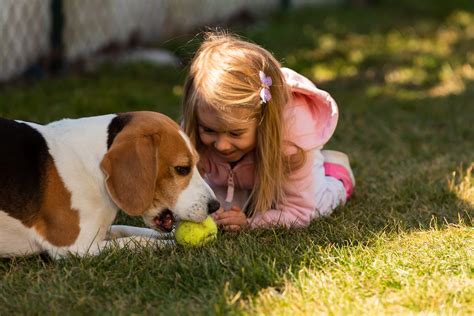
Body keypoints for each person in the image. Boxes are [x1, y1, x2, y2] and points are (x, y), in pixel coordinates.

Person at [181, 32, 355, 231]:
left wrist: (250, 223)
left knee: (317, 207)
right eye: (209, 130)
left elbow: (298, 211)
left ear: (262, 122)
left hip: (287, 170)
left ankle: (337, 175)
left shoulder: (292, 145)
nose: (221, 145)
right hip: (237, 177)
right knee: (222, 211)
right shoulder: (196, 126)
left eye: (235, 133)